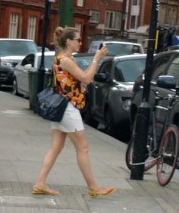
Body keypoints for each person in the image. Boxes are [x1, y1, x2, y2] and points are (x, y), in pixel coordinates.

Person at [32, 27, 116, 199]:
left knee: (56, 147)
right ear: (69, 41)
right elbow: (86, 78)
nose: (80, 43)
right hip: (68, 108)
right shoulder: (65, 60)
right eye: (78, 40)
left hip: (62, 107)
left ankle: (40, 183)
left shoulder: (64, 58)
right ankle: (93, 187)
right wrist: (96, 59)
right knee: (83, 148)